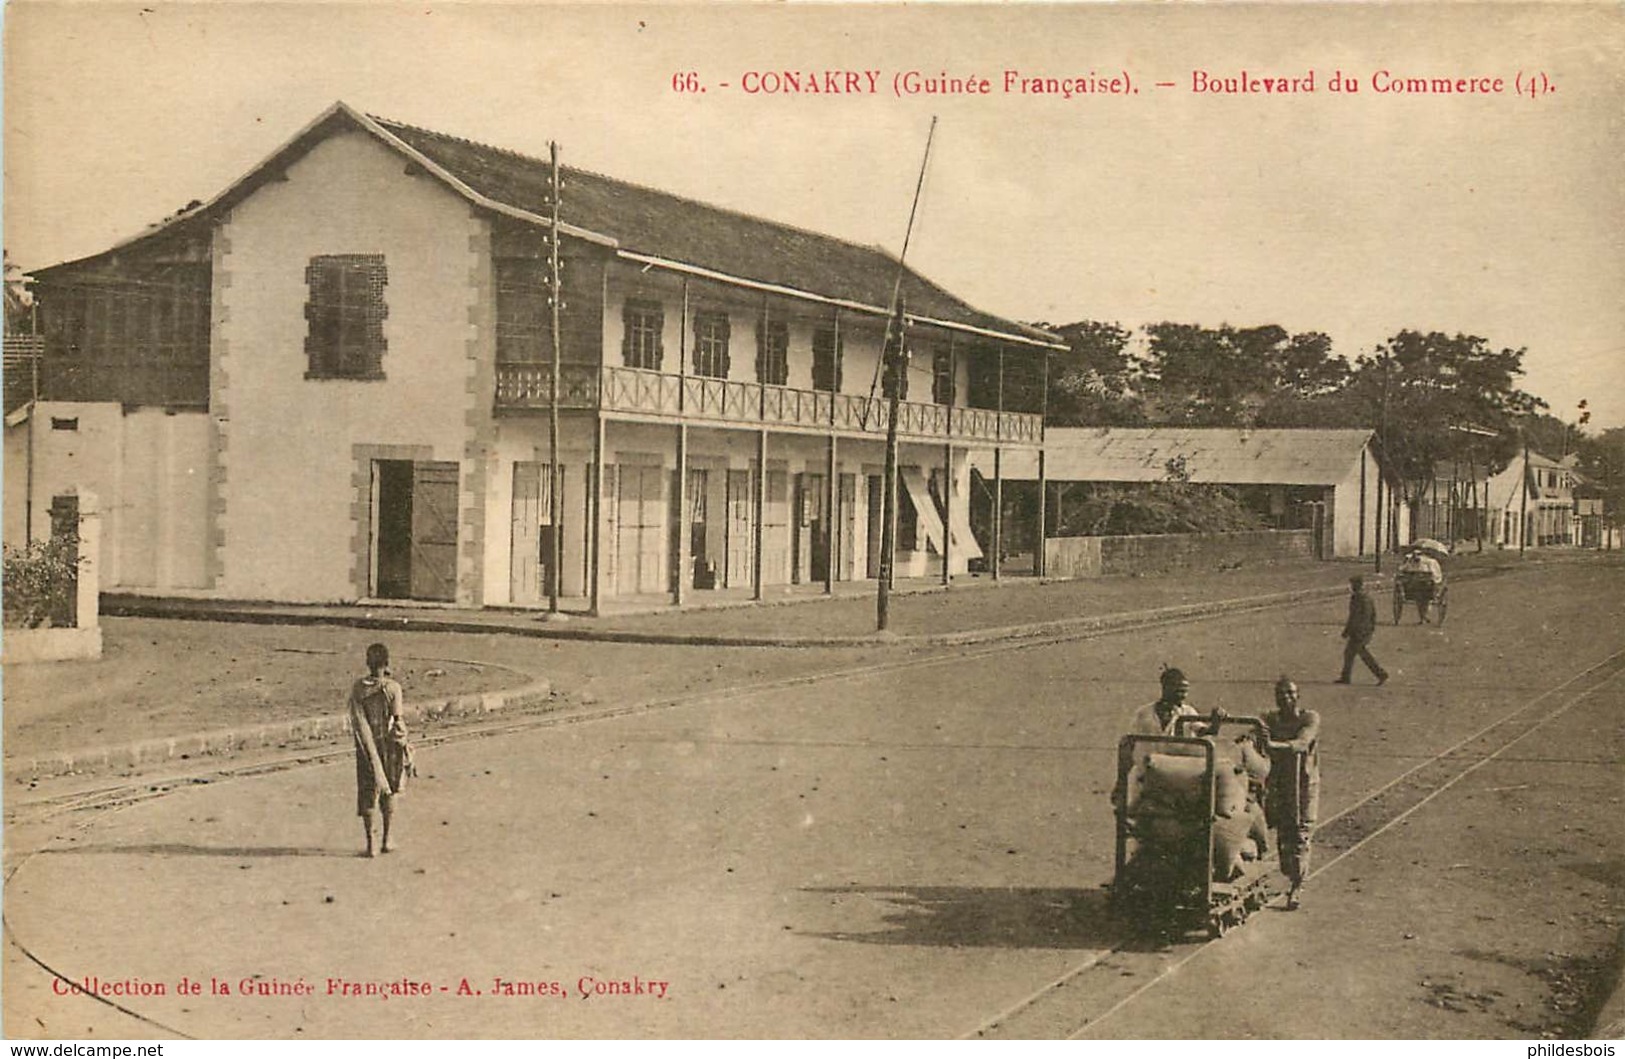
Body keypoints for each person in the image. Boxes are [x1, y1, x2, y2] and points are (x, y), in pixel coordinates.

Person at [1260, 676, 1321, 910]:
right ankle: (1291, 873)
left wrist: (1274, 745)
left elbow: (1302, 742)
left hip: (1304, 785)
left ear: (1298, 696)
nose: (1285, 698)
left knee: (1300, 833)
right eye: (1280, 694)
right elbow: (1255, 727)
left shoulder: (1309, 718)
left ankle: (1297, 886)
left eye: (1290, 693)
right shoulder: (1270, 719)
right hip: (1279, 783)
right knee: (1283, 833)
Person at [1112, 667, 1202, 809]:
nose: (1183, 696)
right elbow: (1128, 745)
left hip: (1175, 777)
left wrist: (1217, 721)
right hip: (1145, 776)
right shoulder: (1144, 714)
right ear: (1165, 687)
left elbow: (1203, 731)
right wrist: (1121, 782)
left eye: (1185, 691)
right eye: (1179, 691)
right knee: (1137, 812)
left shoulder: (1188, 712)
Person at [350, 642, 408, 857]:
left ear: (368, 663)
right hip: (389, 746)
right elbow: (398, 720)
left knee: (368, 791)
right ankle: (387, 839)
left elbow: (357, 718)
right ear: (387, 663)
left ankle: (370, 843)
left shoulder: (358, 688)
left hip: (367, 747)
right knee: (389, 788)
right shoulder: (393, 688)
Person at [1337, 575, 1388, 685]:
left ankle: (1380, 674)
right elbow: (1373, 615)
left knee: (1359, 654)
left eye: (1352, 584)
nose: (1351, 587)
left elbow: (1354, 617)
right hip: (1365, 629)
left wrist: (1347, 631)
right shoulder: (1367, 597)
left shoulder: (1357, 598)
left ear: (1356, 585)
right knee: (1353, 653)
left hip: (1358, 631)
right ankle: (1346, 677)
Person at [1399, 548, 1444, 623]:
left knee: (1424, 600)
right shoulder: (1411, 561)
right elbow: (1403, 569)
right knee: (1421, 601)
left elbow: (1435, 574)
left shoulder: (1429, 562)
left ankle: (1424, 616)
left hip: (1425, 585)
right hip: (1416, 585)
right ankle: (1423, 617)